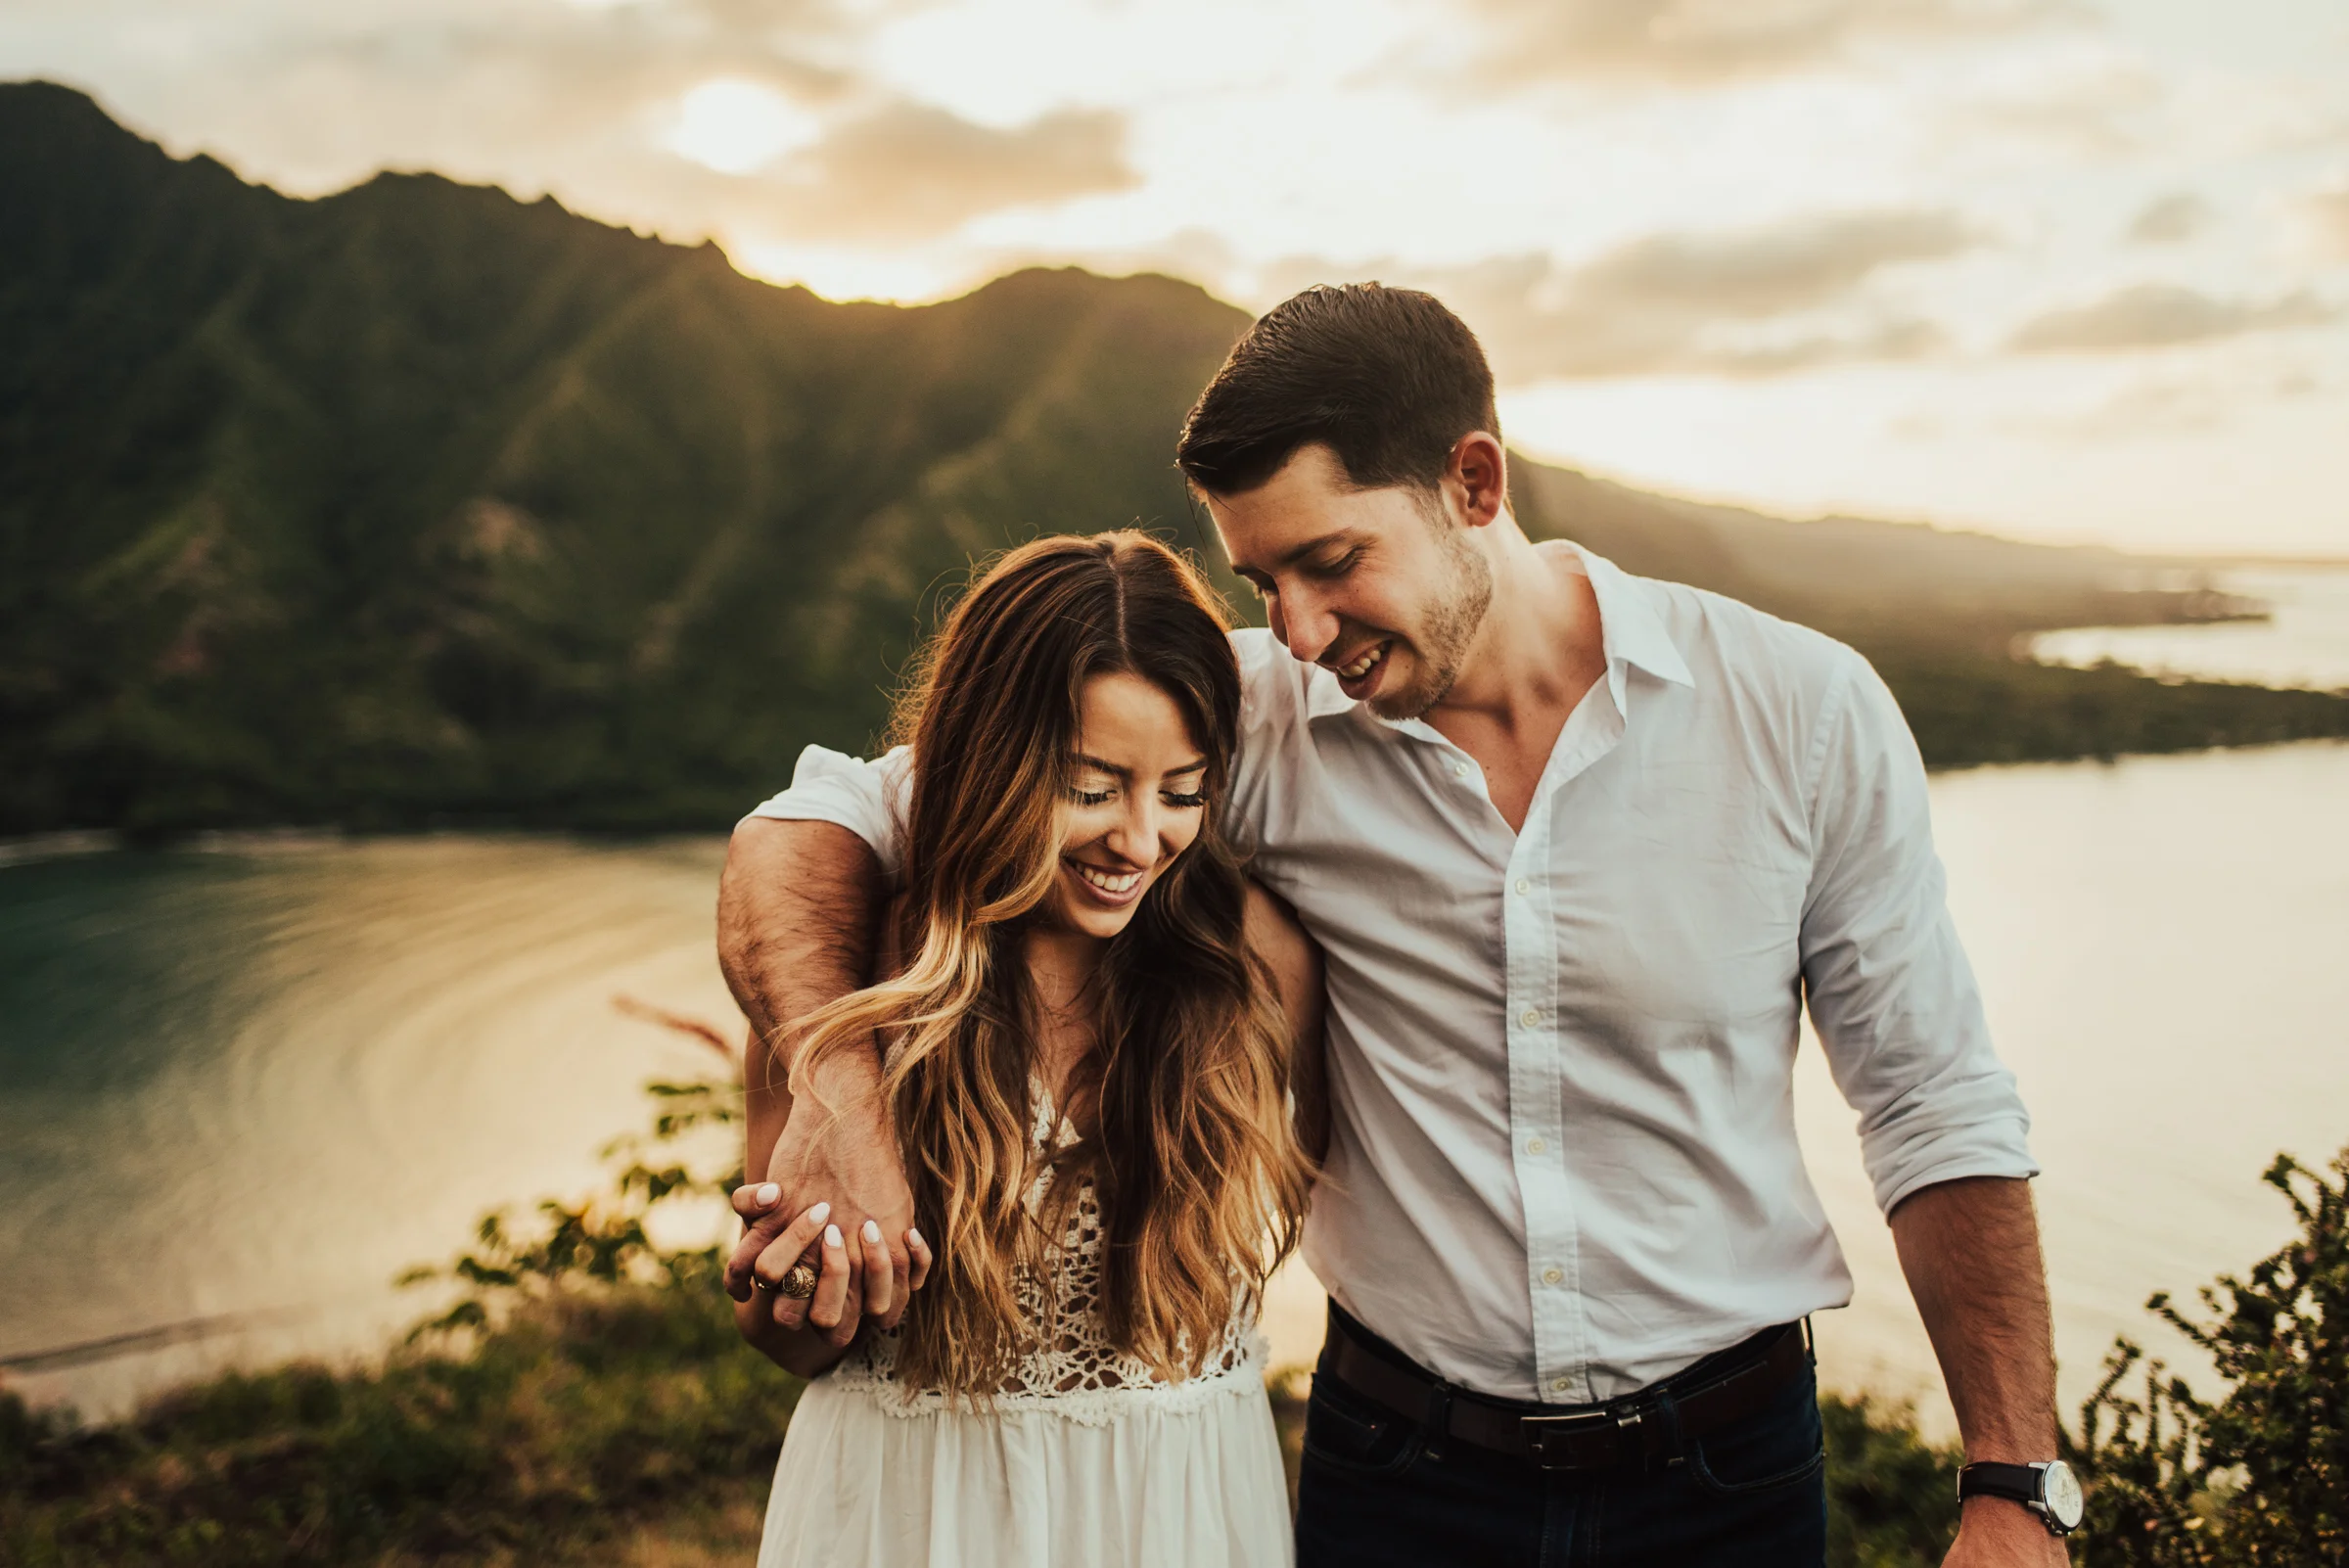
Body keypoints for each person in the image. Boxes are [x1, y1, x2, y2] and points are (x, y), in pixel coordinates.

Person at [719, 285, 2071, 1567]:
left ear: (1474, 484)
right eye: (1263, 583)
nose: (1300, 630)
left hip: (1724, 1468)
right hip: (1402, 1468)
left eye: (1330, 561)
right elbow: (819, 823)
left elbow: (1932, 1102)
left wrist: (2012, 1483)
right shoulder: (1233, 724)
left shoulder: (1800, 713)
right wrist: (840, 1086)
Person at [728, 531, 1325, 1568]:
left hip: (1181, 1515)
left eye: (1181, 791)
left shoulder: (1251, 968)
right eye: (1092, 789)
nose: (1140, 842)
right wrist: (800, 1293)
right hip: (914, 1518)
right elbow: (788, 1344)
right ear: (992, 760)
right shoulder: (850, 978)